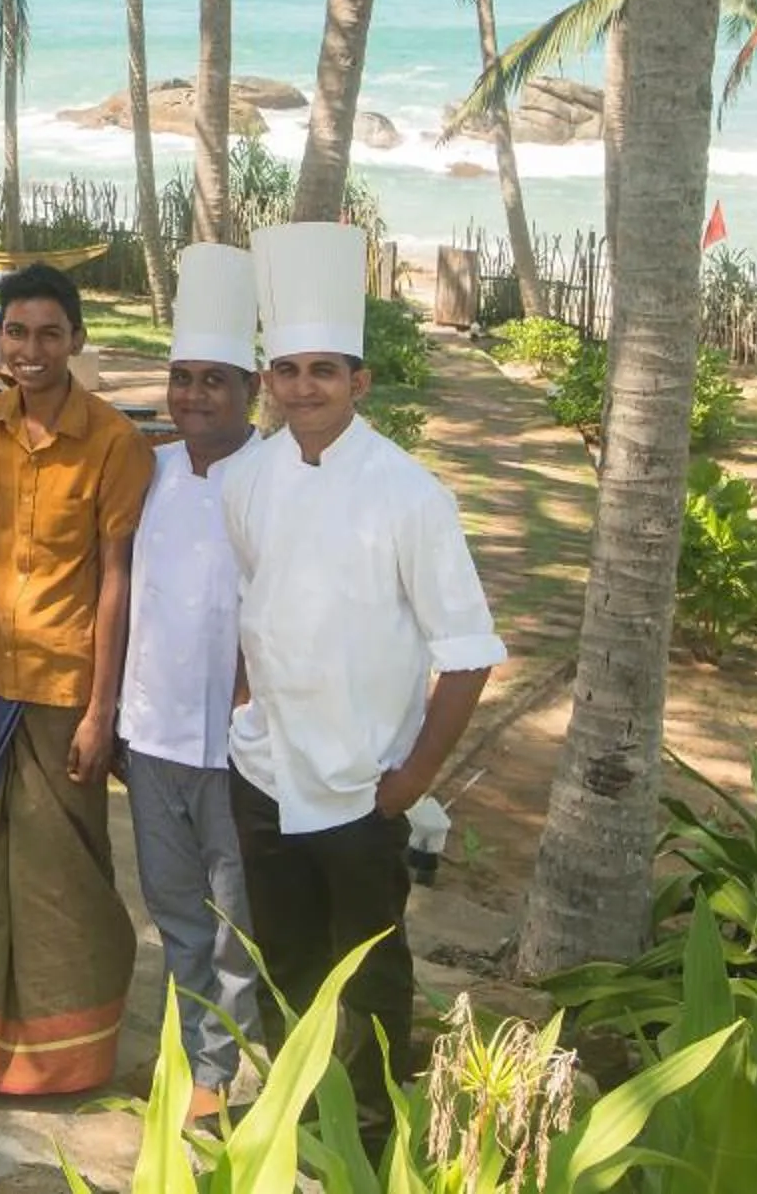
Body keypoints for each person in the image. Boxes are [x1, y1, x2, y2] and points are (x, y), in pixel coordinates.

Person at [225, 222, 505, 1128]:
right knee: (285, 962)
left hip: (361, 789)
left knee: (374, 971)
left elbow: (466, 654)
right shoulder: (250, 479)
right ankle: (291, 1117)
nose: (303, 388)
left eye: (324, 371)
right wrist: (244, 718)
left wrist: (412, 782)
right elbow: (252, 606)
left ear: (359, 382)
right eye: (288, 371)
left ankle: (377, 1130)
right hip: (265, 774)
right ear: (269, 380)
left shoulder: (411, 495)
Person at [0, 261, 152, 1096]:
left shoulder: (116, 442)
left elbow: (115, 578)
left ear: (76, 339)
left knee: (60, 879)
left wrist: (100, 711)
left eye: (50, 332)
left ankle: (64, 1054)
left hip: (62, 695)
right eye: (17, 332)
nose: (32, 348)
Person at [120, 243, 265, 1120]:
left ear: (249, 390)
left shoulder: (277, 477)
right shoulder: (152, 473)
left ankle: (217, 1071)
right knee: (174, 909)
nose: (194, 397)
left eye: (215, 380)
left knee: (236, 924)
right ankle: (200, 1062)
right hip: (153, 734)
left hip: (239, 747)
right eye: (182, 378)